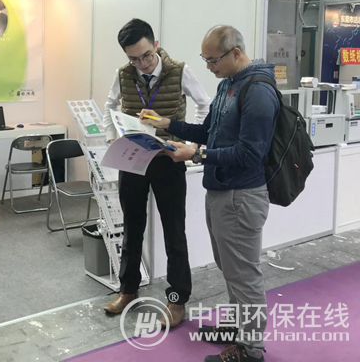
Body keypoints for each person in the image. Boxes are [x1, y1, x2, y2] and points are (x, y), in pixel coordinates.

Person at [142, 25, 279, 362]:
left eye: (213, 60)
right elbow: (208, 131)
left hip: (242, 195)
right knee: (230, 268)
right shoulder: (228, 84)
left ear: (236, 53)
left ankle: (251, 350)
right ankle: (237, 328)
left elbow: (250, 153)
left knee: (244, 274)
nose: (208, 66)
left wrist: (197, 154)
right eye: (205, 59)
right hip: (220, 191)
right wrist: (168, 124)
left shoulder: (258, 91)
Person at [102, 18, 211, 329]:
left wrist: (190, 143)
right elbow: (109, 105)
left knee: (174, 231)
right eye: (134, 59)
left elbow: (204, 105)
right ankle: (128, 289)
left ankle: (177, 301)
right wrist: (111, 137)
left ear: (156, 45)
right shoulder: (123, 74)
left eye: (146, 56)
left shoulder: (179, 71)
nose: (142, 64)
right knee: (132, 227)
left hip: (168, 160)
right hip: (133, 157)